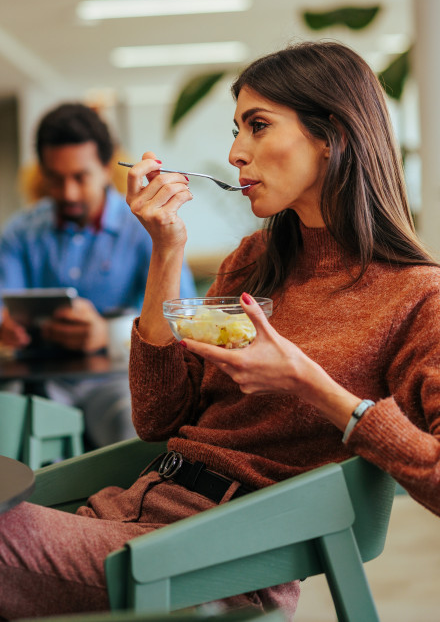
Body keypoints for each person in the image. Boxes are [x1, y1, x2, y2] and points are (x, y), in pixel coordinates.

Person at [1, 40, 440, 620]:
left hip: (221, 557)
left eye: (258, 126)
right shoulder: (252, 261)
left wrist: (310, 384)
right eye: (238, 128)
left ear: (332, 134)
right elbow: (159, 417)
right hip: (131, 511)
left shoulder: (417, 297)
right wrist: (166, 248)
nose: (236, 152)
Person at [0, 102, 196, 447]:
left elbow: (183, 318)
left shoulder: (147, 230)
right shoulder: (20, 233)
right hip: (41, 378)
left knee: (129, 430)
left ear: (107, 168)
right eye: (56, 179)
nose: (69, 193)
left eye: (80, 177)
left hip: (118, 378)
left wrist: (105, 335)